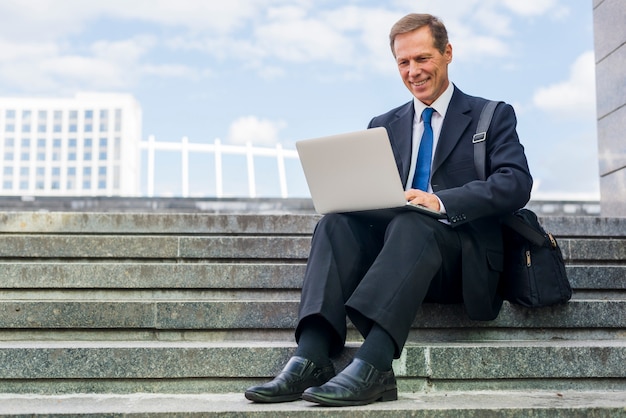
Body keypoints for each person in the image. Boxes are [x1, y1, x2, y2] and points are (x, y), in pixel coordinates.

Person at [245, 12, 532, 407]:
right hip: (396, 258)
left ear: (447, 53)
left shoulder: (492, 114)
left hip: (459, 259)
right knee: (335, 224)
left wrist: (441, 200)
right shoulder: (383, 124)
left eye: (423, 58)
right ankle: (311, 356)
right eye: (403, 62)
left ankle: (375, 364)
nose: (413, 71)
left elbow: (516, 183)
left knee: (416, 223)